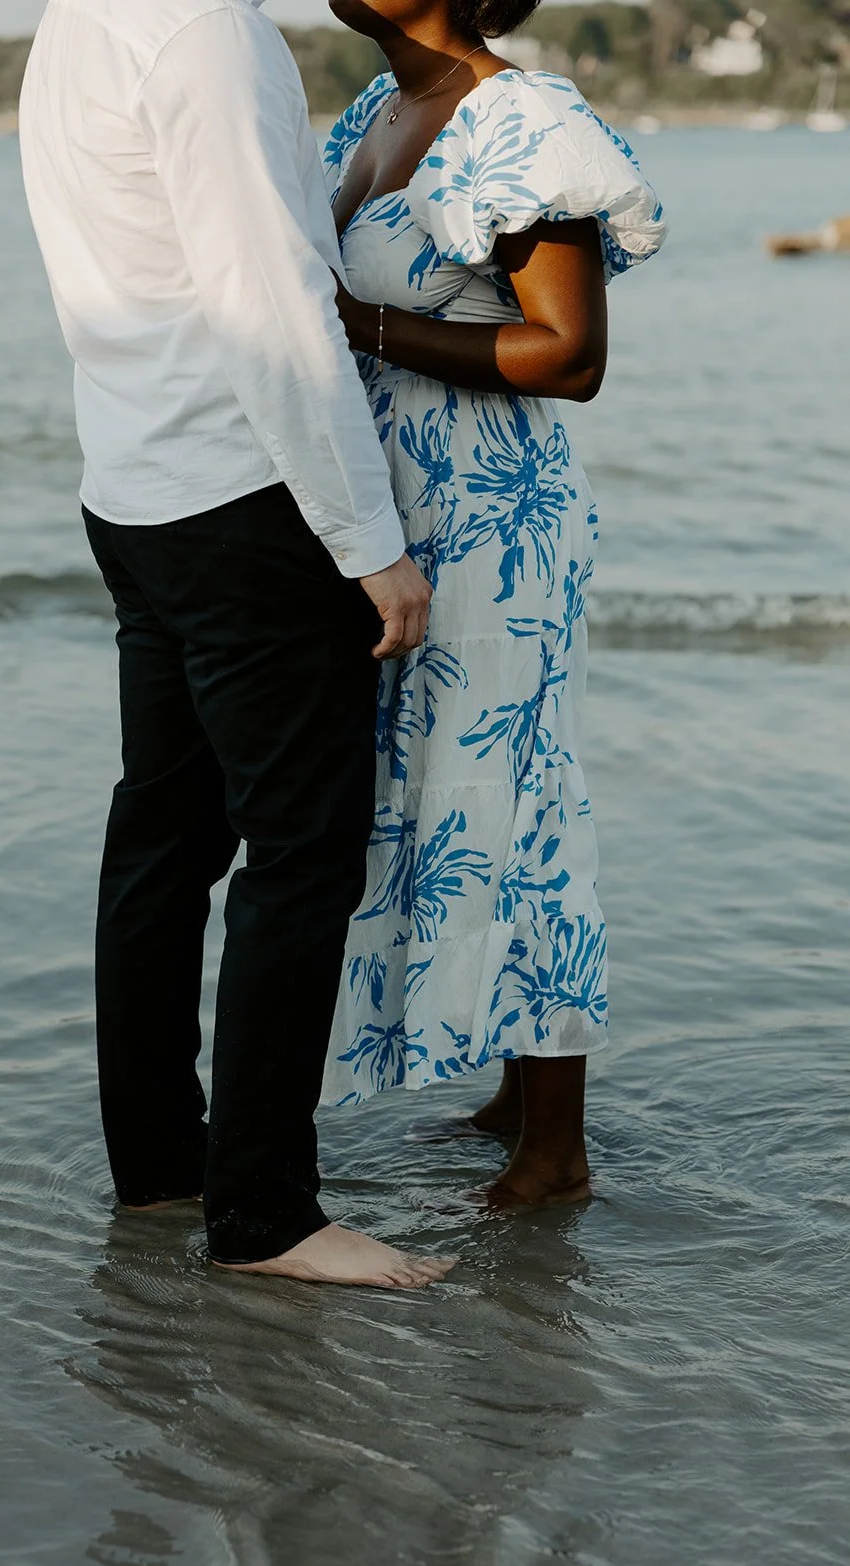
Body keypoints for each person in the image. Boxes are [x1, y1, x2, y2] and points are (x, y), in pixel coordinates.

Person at [18, 0, 458, 1288]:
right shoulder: (204, 32)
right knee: (301, 850)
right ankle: (264, 1213)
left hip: (134, 482)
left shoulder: (80, 19)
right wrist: (366, 537)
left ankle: (160, 1163)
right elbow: (270, 303)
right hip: (241, 495)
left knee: (162, 833)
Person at [320, 0, 666, 1203]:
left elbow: (567, 355)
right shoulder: (378, 106)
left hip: (494, 522)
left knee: (513, 802)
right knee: (446, 793)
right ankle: (515, 1092)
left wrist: (357, 322)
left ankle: (555, 1151)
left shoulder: (521, 120)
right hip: (406, 514)